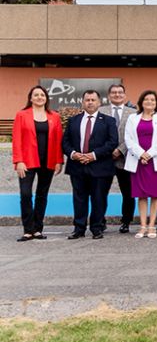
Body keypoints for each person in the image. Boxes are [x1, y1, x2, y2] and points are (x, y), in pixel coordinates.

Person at [63, 90, 118, 239]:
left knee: (99, 199)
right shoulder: (73, 120)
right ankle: (79, 229)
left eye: (93, 100)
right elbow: (65, 142)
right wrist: (74, 154)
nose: (90, 102)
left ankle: (96, 228)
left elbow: (112, 142)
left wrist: (93, 155)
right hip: (77, 166)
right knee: (79, 198)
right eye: (87, 100)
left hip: (100, 166)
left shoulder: (108, 121)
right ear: (83, 102)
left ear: (99, 102)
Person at [12, 85, 63, 241]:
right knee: (26, 194)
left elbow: (58, 140)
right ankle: (28, 229)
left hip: (48, 161)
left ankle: (38, 229)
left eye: (42, 95)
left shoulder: (54, 116)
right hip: (27, 161)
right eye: (36, 95)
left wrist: (59, 161)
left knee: (42, 195)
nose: (40, 97)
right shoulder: (22, 115)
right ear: (31, 98)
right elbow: (16, 139)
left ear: (46, 98)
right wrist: (18, 160)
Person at [123, 90, 157, 238]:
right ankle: (143, 226)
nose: (149, 102)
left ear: (156, 103)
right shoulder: (132, 118)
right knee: (141, 195)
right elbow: (128, 139)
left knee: (156, 195)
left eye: (152, 100)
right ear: (141, 102)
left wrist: (149, 154)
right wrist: (141, 154)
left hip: (156, 161)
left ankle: (152, 226)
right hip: (138, 161)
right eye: (146, 99)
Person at [99, 84, 136, 233]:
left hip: (125, 158)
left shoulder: (133, 113)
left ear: (124, 95)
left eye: (120, 92)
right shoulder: (100, 111)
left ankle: (126, 221)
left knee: (128, 193)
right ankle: (100, 221)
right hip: (104, 159)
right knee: (100, 192)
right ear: (109, 95)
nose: (117, 95)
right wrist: (108, 151)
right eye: (114, 92)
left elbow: (135, 136)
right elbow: (98, 135)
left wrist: (120, 150)